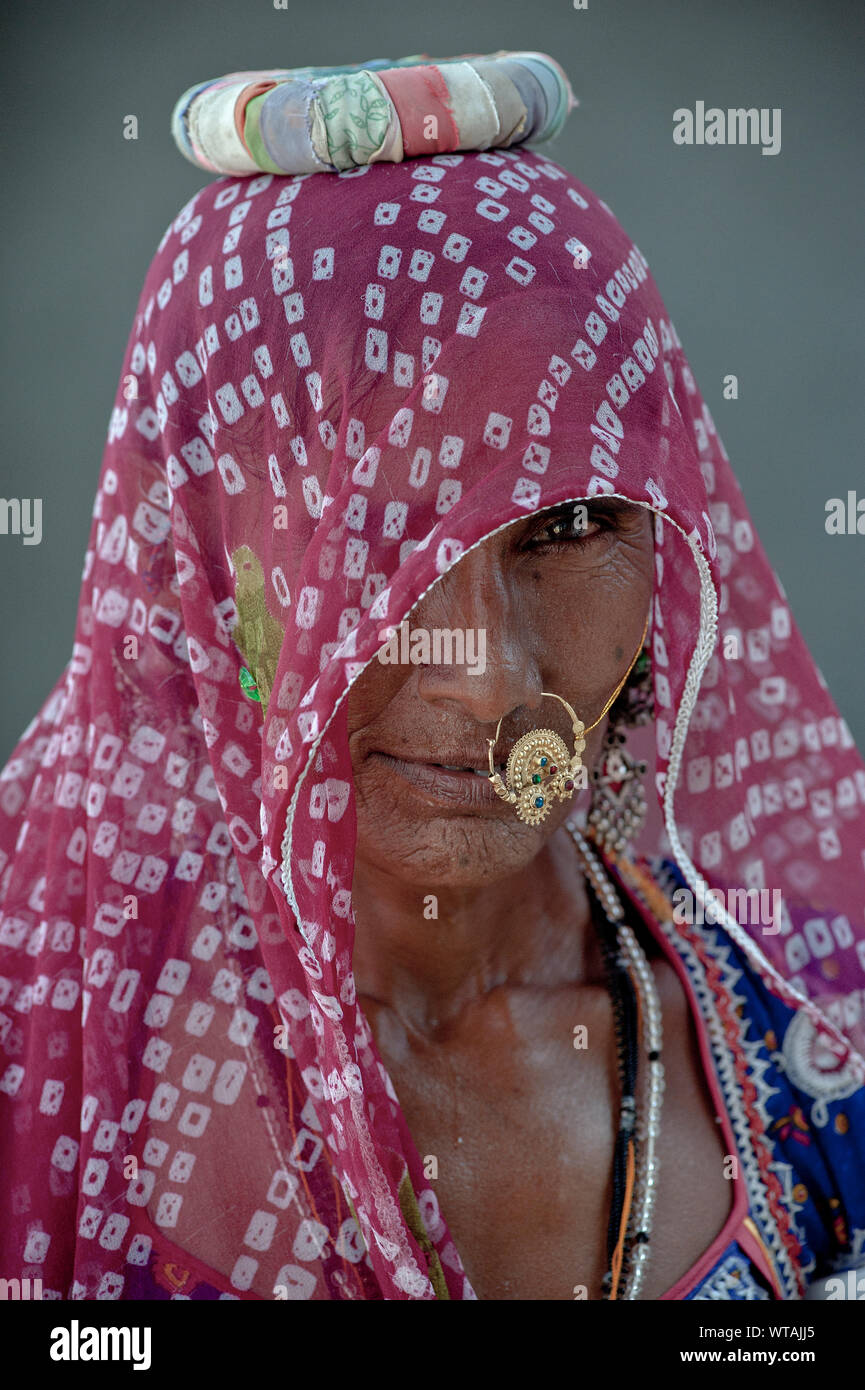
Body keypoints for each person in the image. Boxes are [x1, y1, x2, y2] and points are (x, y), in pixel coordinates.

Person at [1, 51, 863, 1302]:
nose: (484, 684)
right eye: (366, 543)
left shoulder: (813, 1041)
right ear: (190, 549)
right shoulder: (46, 1051)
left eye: (568, 529)